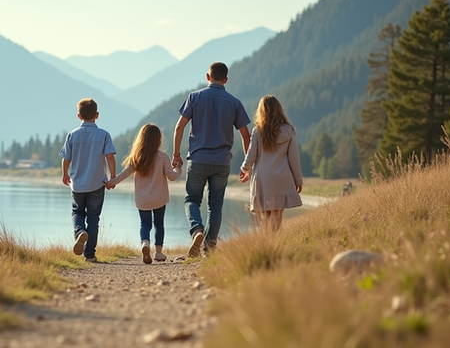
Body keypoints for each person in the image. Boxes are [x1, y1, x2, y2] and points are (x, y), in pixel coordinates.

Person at [173, 62, 251, 257]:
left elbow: (179, 127)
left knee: (192, 199)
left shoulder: (194, 97)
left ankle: (197, 230)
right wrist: (247, 165)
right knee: (215, 206)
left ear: (208, 77)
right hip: (222, 162)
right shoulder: (234, 102)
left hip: (198, 159)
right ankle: (209, 248)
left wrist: (176, 155)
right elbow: (246, 135)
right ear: (226, 80)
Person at [105, 124, 182, 264]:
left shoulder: (136, 157)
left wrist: (112, 182)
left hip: (143, 198)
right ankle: (158, 252)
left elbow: (124, 174)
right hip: (159, 197)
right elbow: (171, 176)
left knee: (145, 224)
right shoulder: (163, 156)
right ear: (158, 139)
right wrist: (178, 169)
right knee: (159, 224)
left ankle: (145, 243)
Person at [60, 98, 116, 263]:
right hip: (97, 183)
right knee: (93, 218)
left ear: (79, 116)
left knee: (77, 212)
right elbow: (110, 157)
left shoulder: (72, 135)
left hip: (77, 184)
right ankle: (89, 254)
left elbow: (66, 158)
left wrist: (65, 174)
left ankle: (79, 232)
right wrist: (113, 177)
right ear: (97, 115)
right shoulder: (104, 135)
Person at [239, 95, 303, 233]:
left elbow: (250, 157)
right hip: (281, 178)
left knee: (264, 214)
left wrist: (244, 169)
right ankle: (273, 240)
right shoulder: (289, 130)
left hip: (262, 179)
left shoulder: (257, 131)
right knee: (277, 213)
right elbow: (294, 159)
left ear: (262, 112)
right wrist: (298, 180)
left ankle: (266, 241)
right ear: (279, 110)